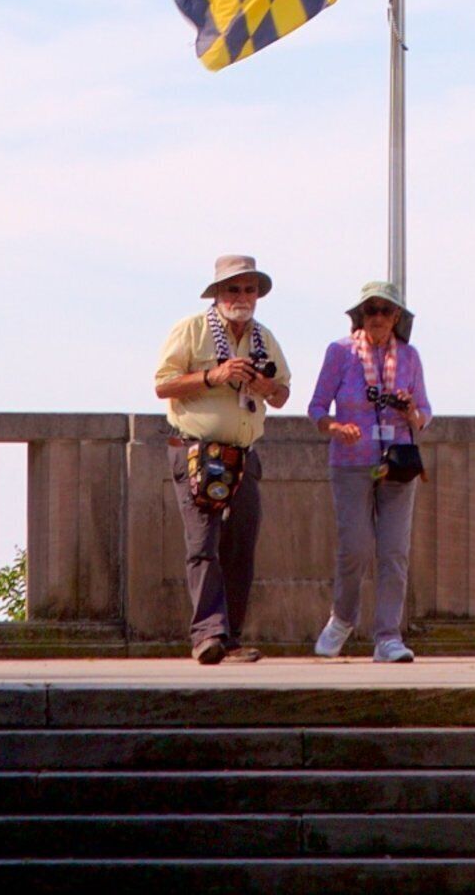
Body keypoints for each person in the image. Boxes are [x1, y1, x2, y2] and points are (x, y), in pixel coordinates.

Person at [152, 253, 292, 664]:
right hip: (197, 452)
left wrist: (264, 384)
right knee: (203, 544)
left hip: (244, 455)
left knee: (241, 547)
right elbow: (163, 386)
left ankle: (230, 637)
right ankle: (207, 635)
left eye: (249, 289)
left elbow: (283, 395)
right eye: (234, 288)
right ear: (217, 293)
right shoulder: (192, 330)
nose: (242, 296)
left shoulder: (264, 337)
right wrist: (215, 375)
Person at [306, 280, 432, 662]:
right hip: (351, 463)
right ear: (361, 316)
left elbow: (426, 413)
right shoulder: (339, 353)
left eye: (385, 311)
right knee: (355, 548)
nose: (377, 317)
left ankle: (388, 636)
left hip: (396, 464)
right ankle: (342, 619)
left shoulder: (410, 356)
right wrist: (335, 428)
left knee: (395, 551)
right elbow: (316, 409)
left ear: (396, 317)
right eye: (370, 310)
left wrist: (410, 412)